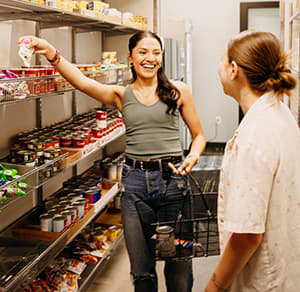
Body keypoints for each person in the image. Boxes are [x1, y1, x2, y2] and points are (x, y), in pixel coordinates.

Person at [19, 31, 206, 292]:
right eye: (143, 52)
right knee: (142, 270)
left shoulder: (178, 91)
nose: (150, 58)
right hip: (135, 184)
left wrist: (194, 155)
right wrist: (52, 52)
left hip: (173, 181)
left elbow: (199, 136)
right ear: (130, 57)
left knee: (179, 267)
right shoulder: (121, 94)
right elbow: (83, 82)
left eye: (156, 52)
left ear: (161, 58)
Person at [205, 31, 300, 292]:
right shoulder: (280, 114)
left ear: (234, 70)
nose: (218, 67)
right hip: (286, 270)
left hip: (264, 280)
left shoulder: (255, 134)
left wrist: (215, 285)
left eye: (221, 60)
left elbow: (247, 235)